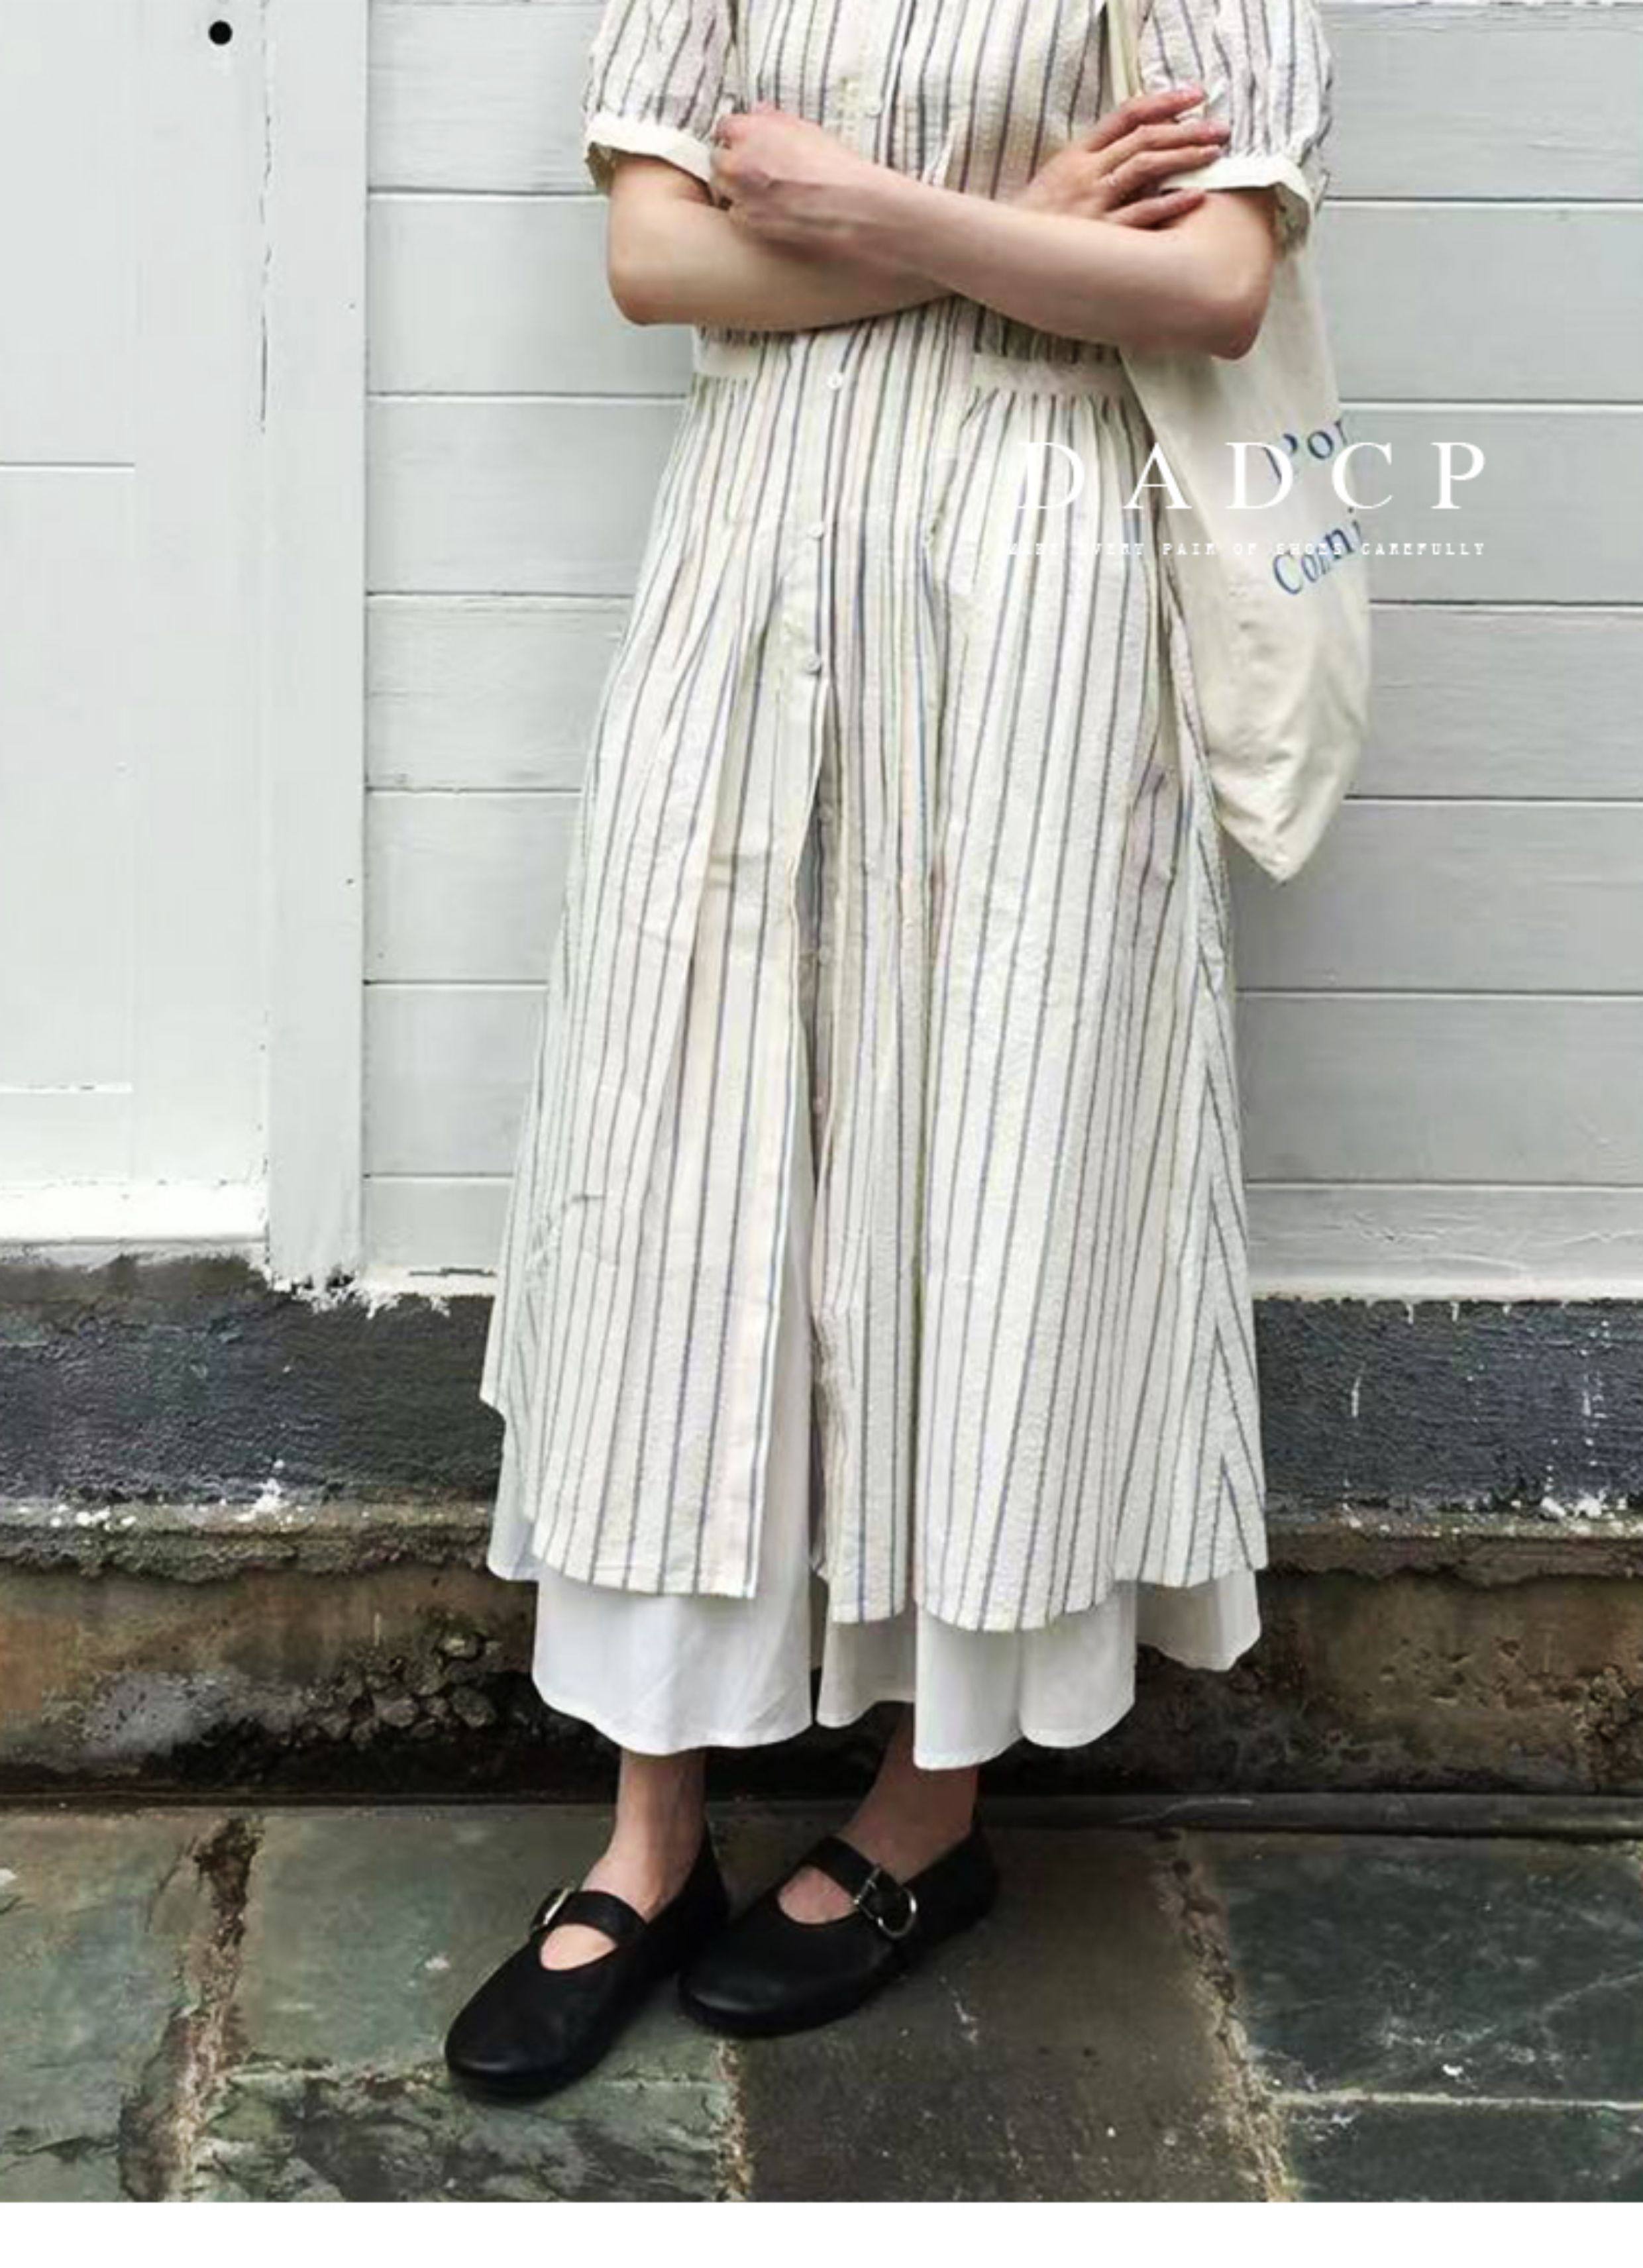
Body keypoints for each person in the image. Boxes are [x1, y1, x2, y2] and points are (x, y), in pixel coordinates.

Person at [445, 0, 1334, 2100]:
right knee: (677, 1169)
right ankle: (650, 1840)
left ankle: (928, 1814)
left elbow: (1212, 284)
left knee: (996, 1148)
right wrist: (1021, 227)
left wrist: (860, 207)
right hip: (745, 572)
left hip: (1040, 585)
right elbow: (657, 258)